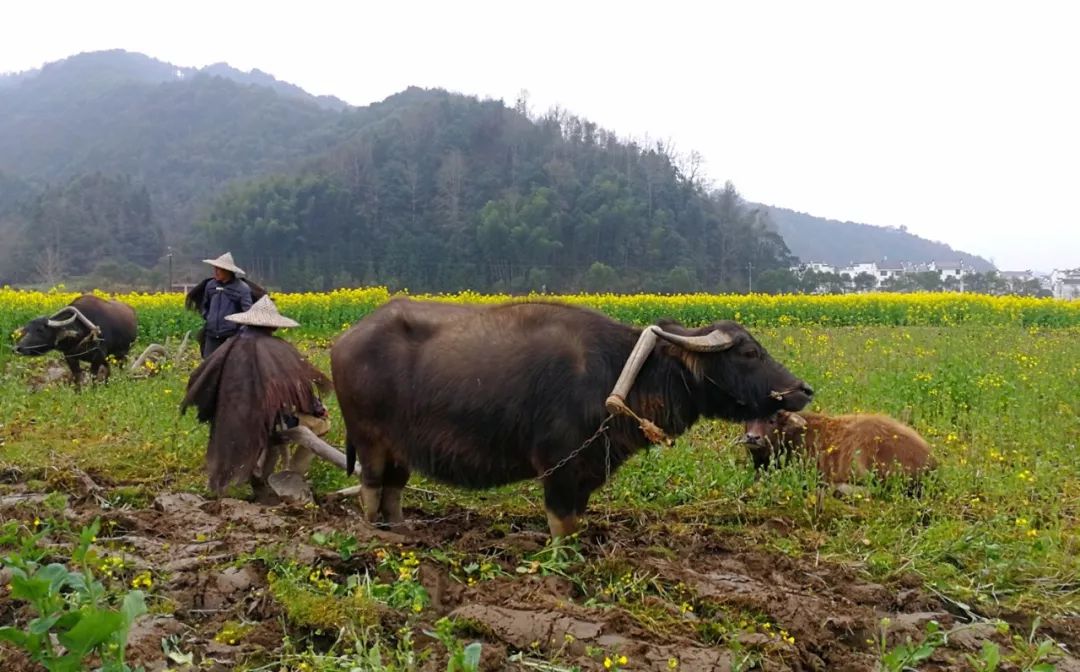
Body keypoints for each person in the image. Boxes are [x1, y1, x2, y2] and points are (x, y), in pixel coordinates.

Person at [181, 296, 333, 504]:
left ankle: (261, 478)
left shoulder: (227, 348)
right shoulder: (279, 351)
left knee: (271, 422)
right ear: (273, 326)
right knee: (322, 424)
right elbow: (303, 392)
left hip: (230, 421)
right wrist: (318, 411)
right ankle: (294, 474)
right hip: (269, 422)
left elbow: (199, 382)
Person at [193, 252, 254, 358]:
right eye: (215, 269)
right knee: (208, 367)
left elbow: (248, 313)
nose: (215, 272)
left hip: (231, 337)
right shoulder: (210, 286)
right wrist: (208, 318)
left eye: (219, 269)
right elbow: (205, 306)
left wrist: (239, 333)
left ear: (228, 271)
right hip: (211, 335)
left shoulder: (242, 288)